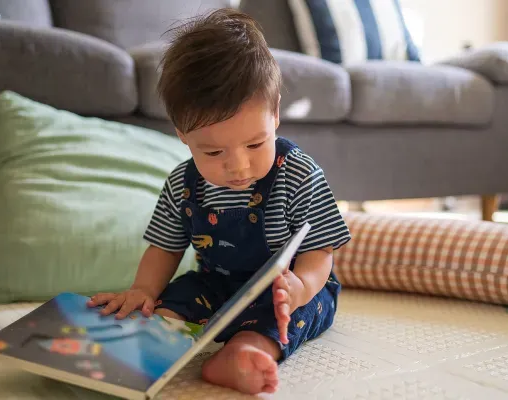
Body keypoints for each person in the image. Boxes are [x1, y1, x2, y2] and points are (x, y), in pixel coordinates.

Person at [87, 8, 351, 395]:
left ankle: (244, 352)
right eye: (212, 153)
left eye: (255, 144)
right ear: (183, 135)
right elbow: (165, 247)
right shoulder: (182, 183)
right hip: (215, 282)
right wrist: (144, 291)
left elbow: (319, 252)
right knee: (171, 299)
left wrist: (301, 286)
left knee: (292, 315)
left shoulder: (298, 174)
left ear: (275, 114)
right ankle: (157, 342)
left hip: (287, 286)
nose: (238, 167)